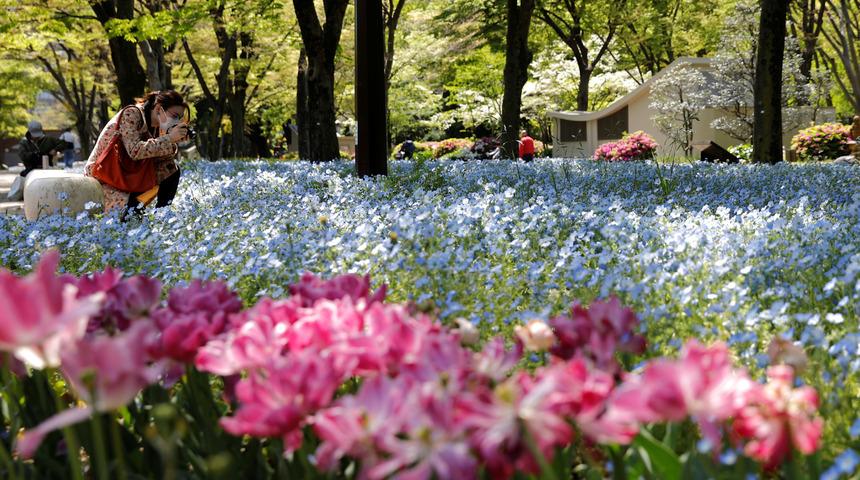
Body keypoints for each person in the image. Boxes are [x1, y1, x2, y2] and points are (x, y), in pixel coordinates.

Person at [85, 90, 189, 214]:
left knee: (171, 168)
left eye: (179, 118)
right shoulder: (132, 113)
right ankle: (133, 209)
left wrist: (173, 141)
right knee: (131, 215)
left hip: (128, 172)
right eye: (175, 116)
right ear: (158, 109)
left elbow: (156, 157)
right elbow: (135, 151)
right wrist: (169, 138)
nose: (176, 122)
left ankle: (163, 215)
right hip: (106, 175)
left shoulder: (155, 126)